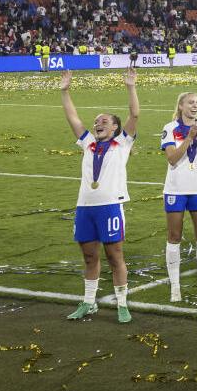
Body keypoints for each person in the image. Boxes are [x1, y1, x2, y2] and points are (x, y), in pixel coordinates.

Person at [60, 66, 140, 323]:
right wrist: (65, 92)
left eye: (104, 121)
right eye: (96, 121)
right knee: (89, 256)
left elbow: (135, 113)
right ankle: (88, 303)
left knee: (114, 255)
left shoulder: (123, 144)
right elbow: (73, 118)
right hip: (85, 206)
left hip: (110, 207)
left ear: (116, 128)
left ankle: (122, 304)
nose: (98, 123)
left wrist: (130, 87)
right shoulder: (88, 143)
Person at [160, 91, 197, 302]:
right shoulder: (170, 128)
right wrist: (189, 138)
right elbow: (172, 159)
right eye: (191, 103)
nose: (195, 106)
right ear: (181, 106)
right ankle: (175, 286)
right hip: (176, 189)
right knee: (174, 237)